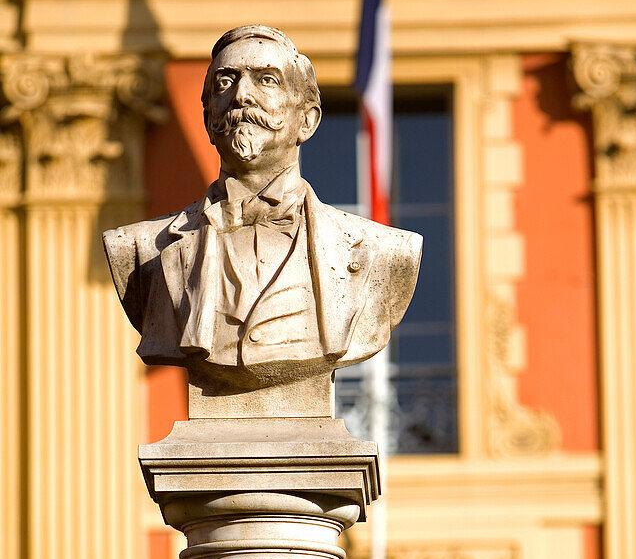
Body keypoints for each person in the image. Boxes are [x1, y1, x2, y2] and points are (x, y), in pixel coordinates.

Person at [103, 24, 421, 390]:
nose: (241, 96)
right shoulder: (140, 250)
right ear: (208, 120)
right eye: (226, 82)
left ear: (308, 119)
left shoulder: (387, 252)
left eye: (266, 80)